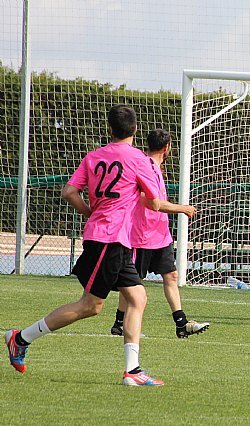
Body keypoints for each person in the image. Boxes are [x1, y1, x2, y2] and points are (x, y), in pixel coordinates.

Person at [4, 105, 165, 386]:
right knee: (90, 306)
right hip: (109, 239)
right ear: (136, 130)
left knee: (138, 298)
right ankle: (21, 338)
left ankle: (133, 371)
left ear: (109, 130)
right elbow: (152, 201)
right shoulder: (139, 160)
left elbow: (69, 192)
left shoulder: (93, 157)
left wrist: (91, 212)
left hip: (110, 238)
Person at [110, 129, 209, 339]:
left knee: (171, 276)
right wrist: (182, 208)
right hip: (142, 235)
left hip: (160, 235)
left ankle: (181, 324)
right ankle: (119, 323)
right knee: (133, 282)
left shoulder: (155, 167)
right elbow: (149, 201)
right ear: (167, 148)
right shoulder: (145, 166)